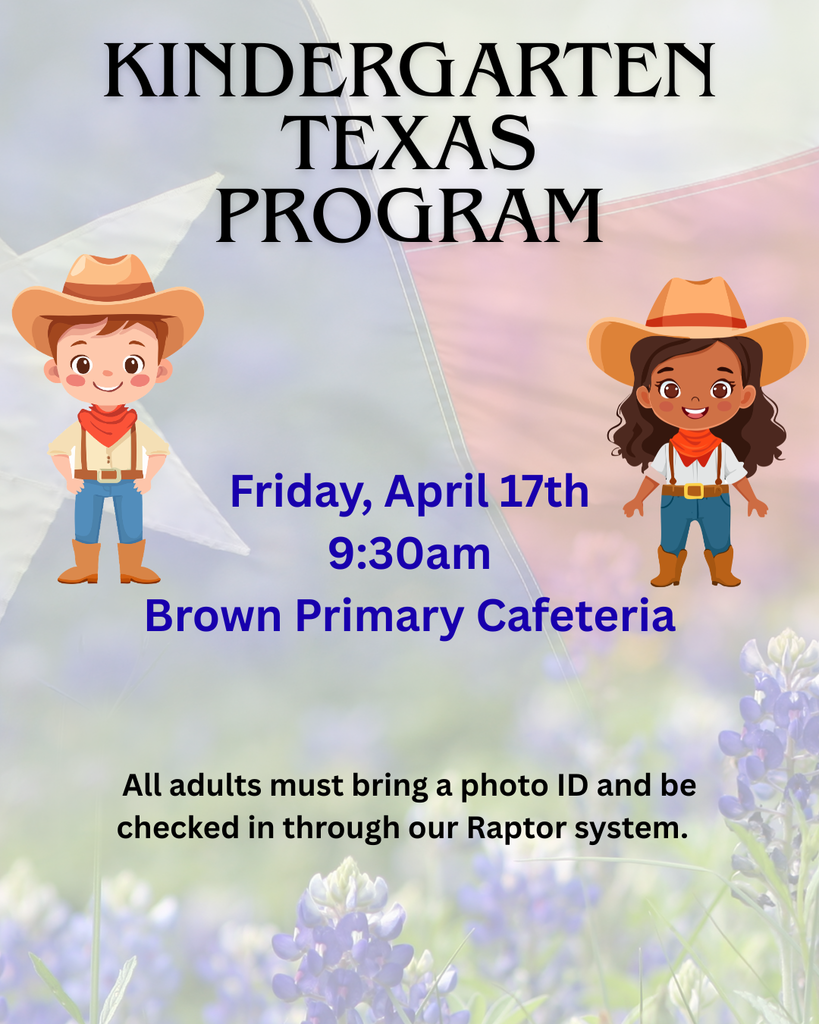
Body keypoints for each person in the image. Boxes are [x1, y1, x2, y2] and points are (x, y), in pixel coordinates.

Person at [587, 277, 807, 587]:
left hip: (715, 498)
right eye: (671, 388)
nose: (693, 400)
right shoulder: (669, 449)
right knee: (671, 539)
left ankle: (721, 571)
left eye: (719, 388)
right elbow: (653, 475)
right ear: (645, 396)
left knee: (718, 539)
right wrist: (638, 499)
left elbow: (737, 475)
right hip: (675, 498)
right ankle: (669, 571)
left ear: (745, 396)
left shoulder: (721, 448)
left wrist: (752, 499)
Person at [12, 253, 203, 584]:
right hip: (88, 480)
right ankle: (86, 567)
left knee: (130, 524)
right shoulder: (77, 424)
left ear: (159, 369)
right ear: (55, 370)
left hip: (129, 480)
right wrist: (69, 477)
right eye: (83, 363)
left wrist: (147, 477)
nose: (108, 374)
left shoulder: (134, 425)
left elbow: (157, 452)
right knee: (86, 524)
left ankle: (131, 567)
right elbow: (59, 451)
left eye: (131, 363)